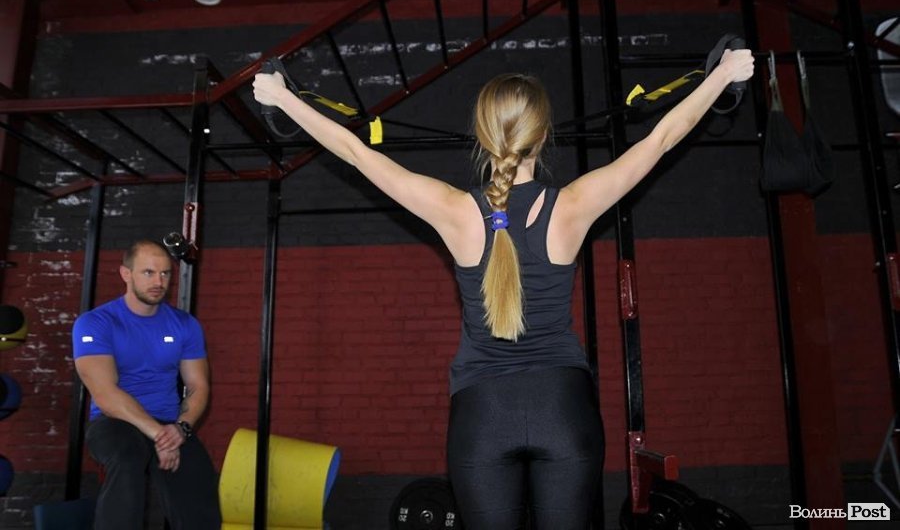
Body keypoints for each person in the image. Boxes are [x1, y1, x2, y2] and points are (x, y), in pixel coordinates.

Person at [253, 48, 754, 529]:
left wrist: (281, 97)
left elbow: (354, 152)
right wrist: (724, 73)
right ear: (544, 135)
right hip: (564, 409)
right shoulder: (573, 205)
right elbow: (662, 138)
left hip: (483, 414)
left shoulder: (453, 210)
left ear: (482, 134)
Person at [72, 239, 221, 530]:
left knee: (198, 478)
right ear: (126, 274)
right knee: (128, 458)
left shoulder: (185, 325)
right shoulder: (95, 323)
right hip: (115, 421)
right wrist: (160, 436)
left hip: (170, 424)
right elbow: (105, 393)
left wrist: (181, 428)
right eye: (148, 272)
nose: (159, 282)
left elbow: (198, 386)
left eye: (165, 273)